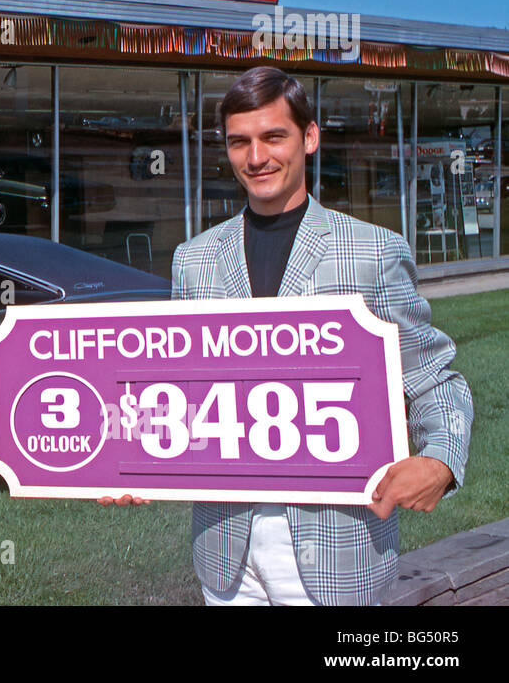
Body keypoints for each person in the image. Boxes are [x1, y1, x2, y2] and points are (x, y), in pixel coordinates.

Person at [102, 66, 473, 606]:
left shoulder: (373, 252)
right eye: (239, 142)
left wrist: (441, 459)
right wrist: (128, 459)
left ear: (310, 137)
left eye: (274, 136)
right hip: (226, 554)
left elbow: (433, 377)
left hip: (337, 549)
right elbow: (180, 391)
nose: (256, 158)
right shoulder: (195, 260)